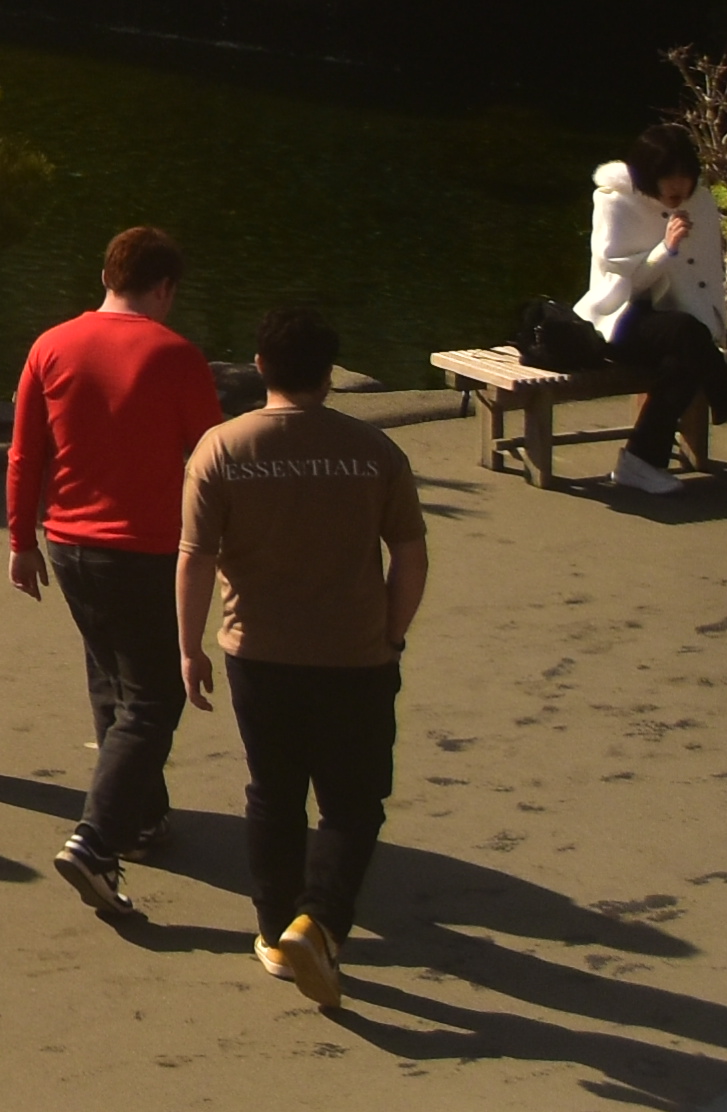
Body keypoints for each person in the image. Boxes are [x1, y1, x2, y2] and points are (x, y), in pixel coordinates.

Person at [180, 302, 429, 1011]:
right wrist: (393, 633)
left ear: (260, 367)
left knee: (274, 792)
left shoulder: (221, 449)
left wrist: (189, 646)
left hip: (256, 651)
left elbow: (194, 558)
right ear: (329, 372)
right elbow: (409, 555)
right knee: (354, 802)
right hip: (355, 655)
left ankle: (273, 929)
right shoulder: (375, 451)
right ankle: (319, 923)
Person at [12, 222, 231, 903]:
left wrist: (21, 540)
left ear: (108, 275)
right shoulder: (177, 358)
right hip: (144, 547)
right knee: (155, 696)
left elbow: (26, 453)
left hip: (68, 542)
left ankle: (142, 814)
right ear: (163, 288)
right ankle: (97, 838)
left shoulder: (51, 345)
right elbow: (211, 460)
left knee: (112, 676)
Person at [578, 117, 727, 490]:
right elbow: (624, 283)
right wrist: (666, 249)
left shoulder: (700, 201)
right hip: (620, 319)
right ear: (646, 174)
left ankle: (639, 462)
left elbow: (706, 276)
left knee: (686, 359)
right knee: (688, 334)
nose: (678, 185)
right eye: (667, 175)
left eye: (685, 174)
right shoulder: (614, 203)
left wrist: (716, 325)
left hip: (677, 324)